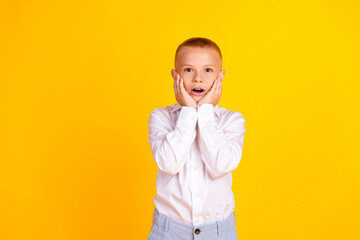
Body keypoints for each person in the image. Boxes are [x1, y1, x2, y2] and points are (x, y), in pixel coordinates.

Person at [147, 37, 246, 240]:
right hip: (168, 232)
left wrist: (206, 111)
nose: (198, 79)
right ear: (175, 76)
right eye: (188, 70)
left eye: (208, 70)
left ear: (220, 76)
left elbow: (219, 167)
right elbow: (169, 164)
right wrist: (189, 112)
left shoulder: (232, 120)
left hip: (220, 232)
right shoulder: (161, 117)